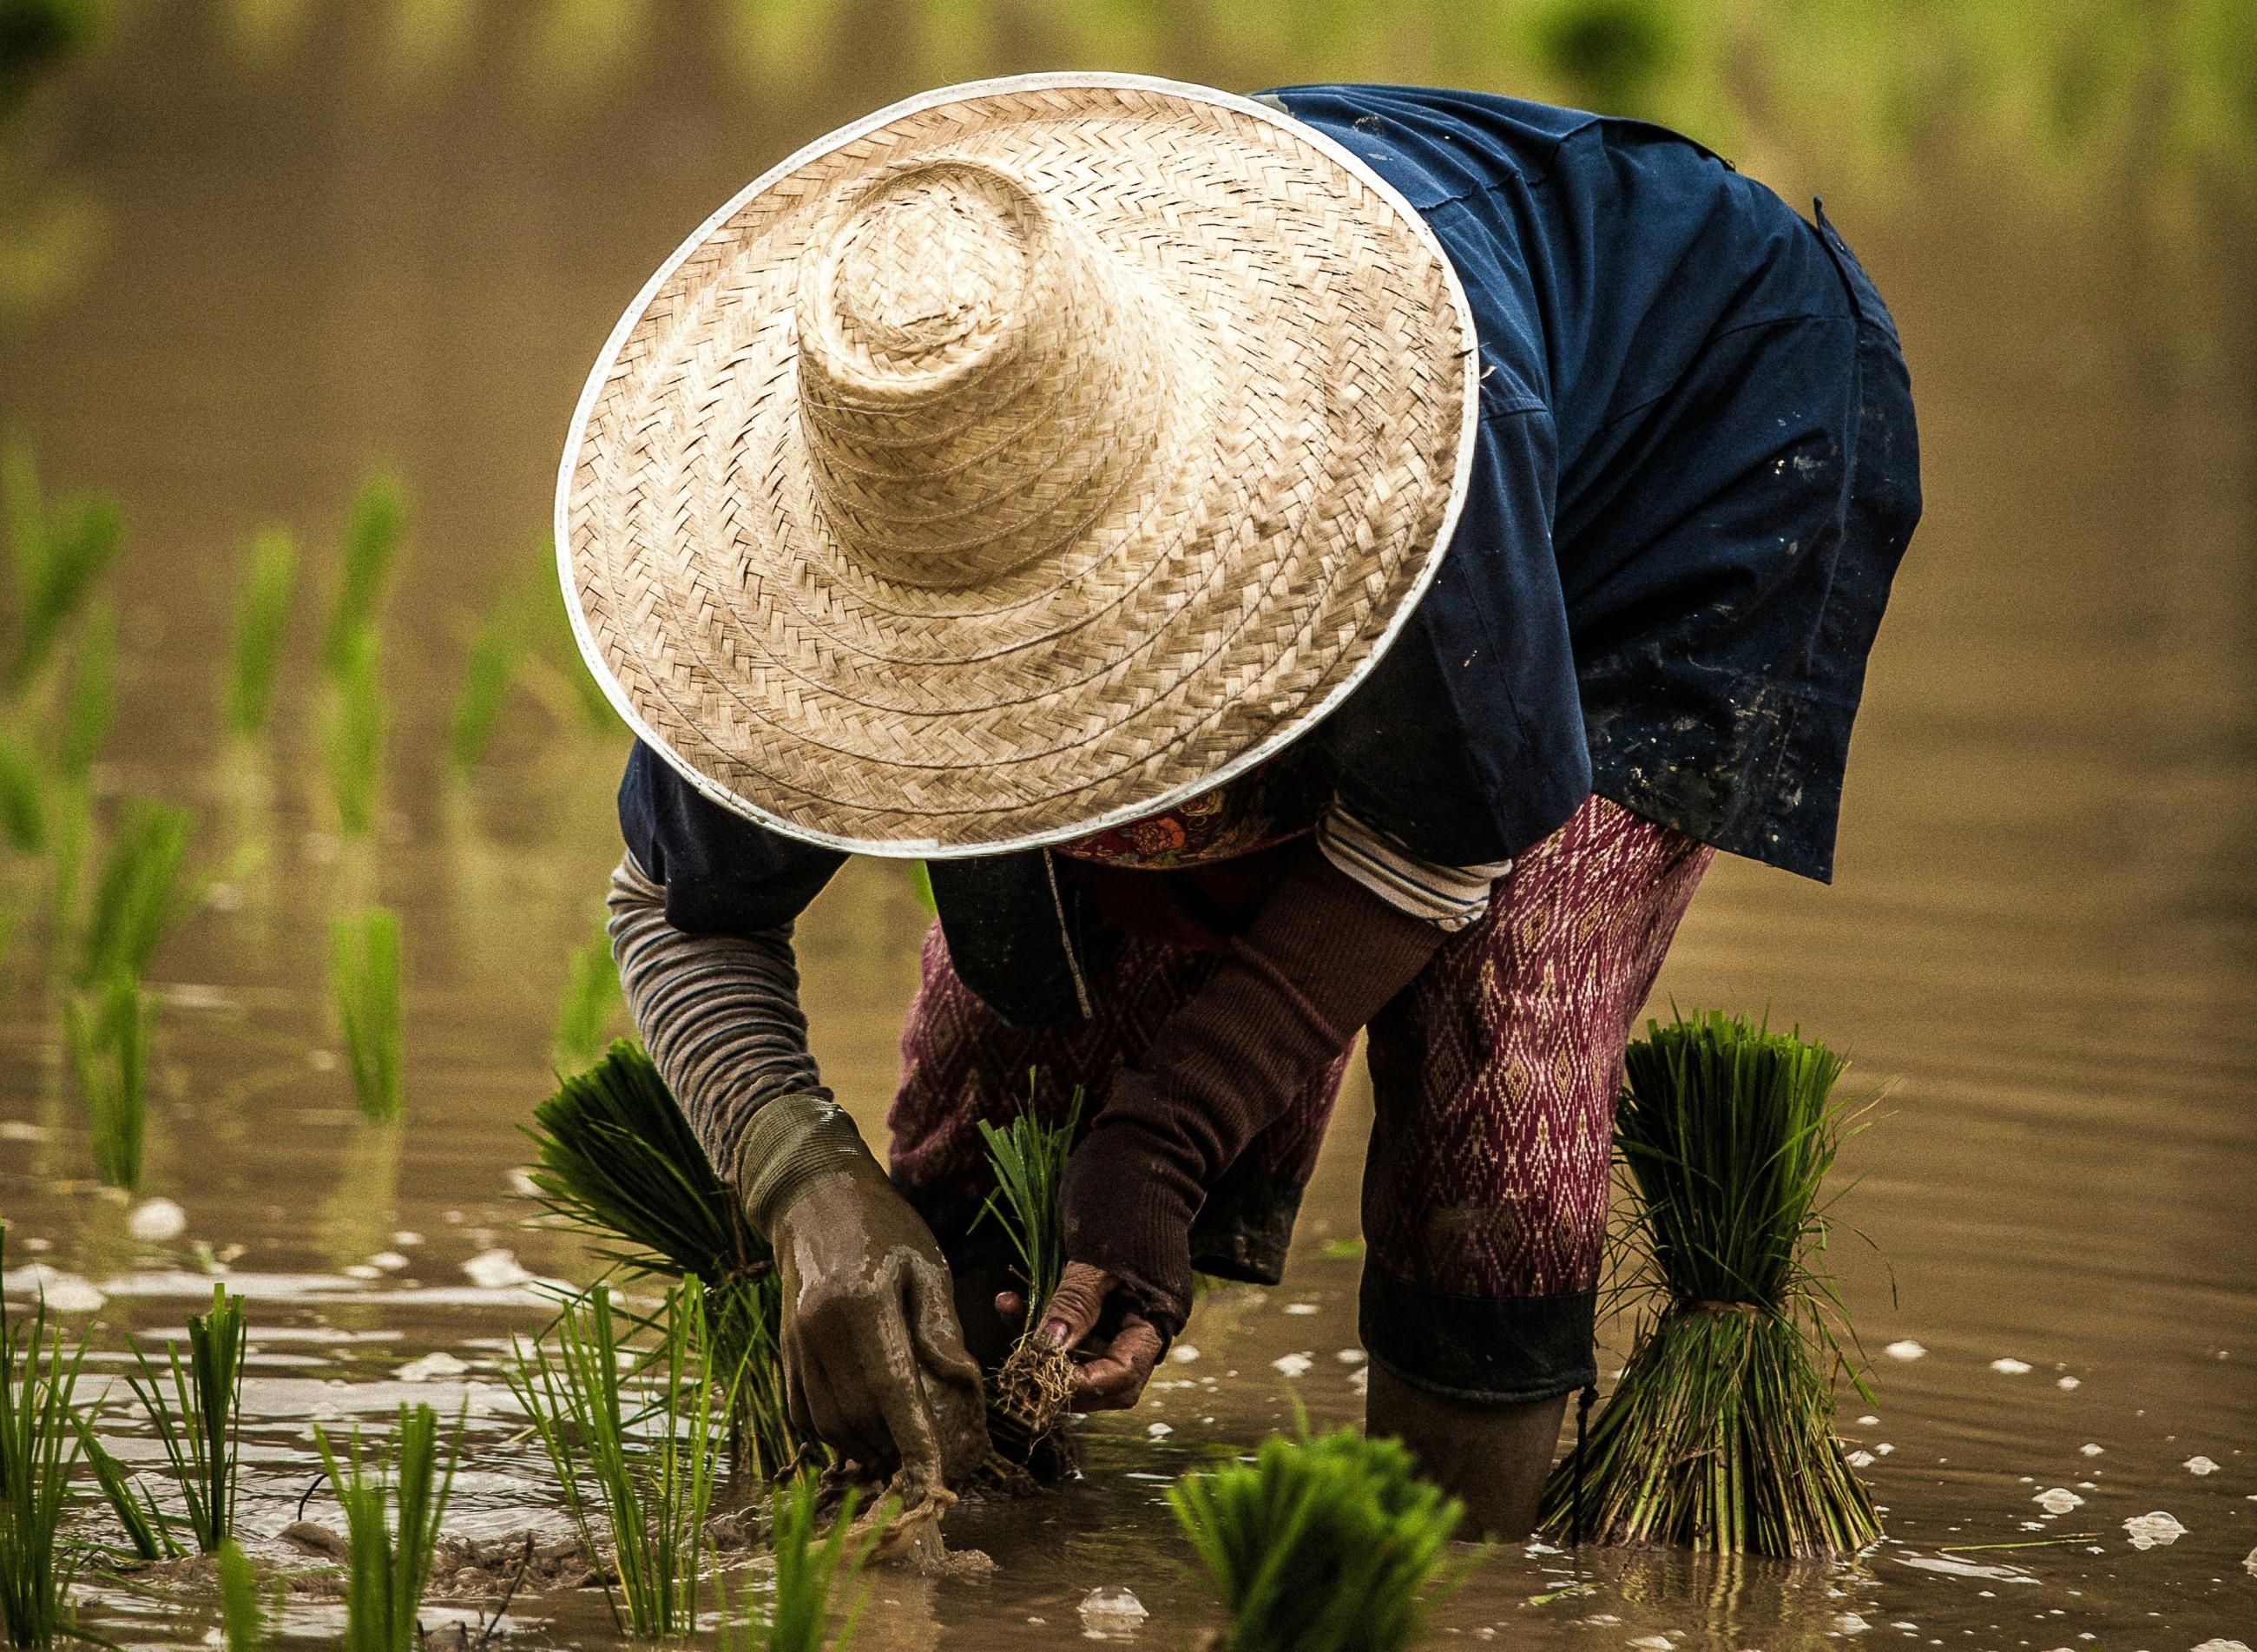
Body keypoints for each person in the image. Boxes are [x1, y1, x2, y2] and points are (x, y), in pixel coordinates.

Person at [556, 74, 1918, 1536]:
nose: (1023, 694)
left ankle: (1449, 1587)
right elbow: (675, 908)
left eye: (1059, 646)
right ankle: (975, 1511)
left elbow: (1452, 827)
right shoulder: (811, 545)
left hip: (1684, 431)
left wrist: (1171, 1139)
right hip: (1240, 416)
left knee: (1499, 1061)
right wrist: (804, 1185)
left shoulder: (1397, 467)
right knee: (1025, 1053)